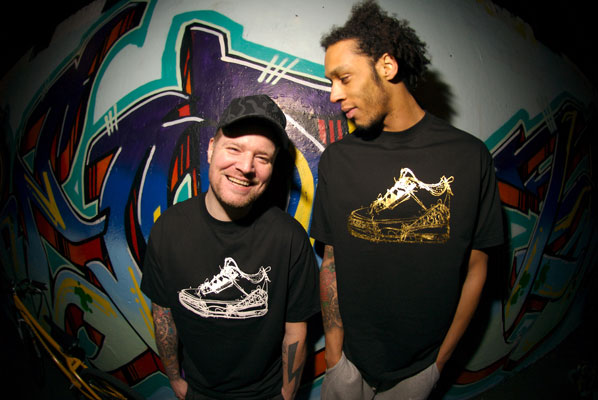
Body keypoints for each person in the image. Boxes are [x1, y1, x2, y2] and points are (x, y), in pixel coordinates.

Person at [310, 1, 504, 399]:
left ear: (387, 66)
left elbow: (477, 267)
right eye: (331, 81)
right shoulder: (338, 159)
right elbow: (331, 260)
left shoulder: (468, 157)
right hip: (348, 363)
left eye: (343, 78)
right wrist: (334, 357)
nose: (333, 94)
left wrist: (436, 367)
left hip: (421, 368)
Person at [141, 94, 320, 400]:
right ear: (211, 148)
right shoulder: (168, 229)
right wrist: (175, 379)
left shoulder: (289, 238)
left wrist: (287, 395)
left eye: (262, 158)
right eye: (234, 149)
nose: (246, 167)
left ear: (273, 167)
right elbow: (163, 316)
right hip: (197, 391)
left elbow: (295, 331)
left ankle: (246, 290)